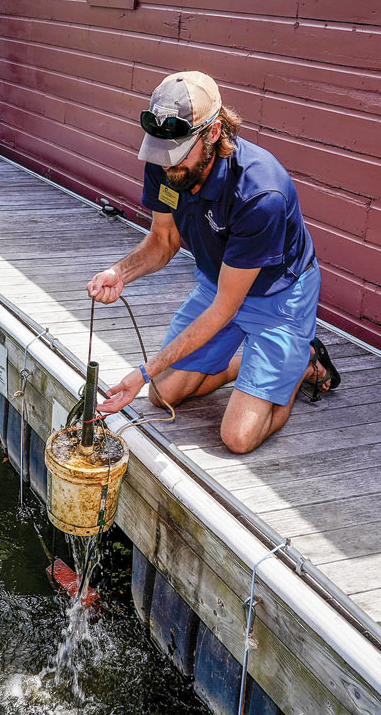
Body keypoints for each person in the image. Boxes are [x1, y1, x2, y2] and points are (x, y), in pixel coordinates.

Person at [87, 71, 338, 454]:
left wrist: (142, 371)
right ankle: (252, 367)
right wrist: (118, 272)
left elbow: (226, 308)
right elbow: (164, 240)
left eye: (178, 151)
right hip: (218, 280)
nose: (167, 165)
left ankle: (299, 364)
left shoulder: (260, 192)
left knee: (237, 438)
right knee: (161, 395)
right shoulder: (165, 162)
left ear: (215, 132)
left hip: (279, 295)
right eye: (161, 149)